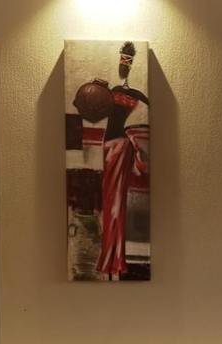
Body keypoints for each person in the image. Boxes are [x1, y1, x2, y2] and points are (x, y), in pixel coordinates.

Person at [95, 42, 150, 280]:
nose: (123, 65)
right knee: (113, 204)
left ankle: (113, 260)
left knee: (114, 204)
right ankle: (113, 260)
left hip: (116, 147)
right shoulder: (126, 93)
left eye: (124, 60)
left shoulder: (124, 93)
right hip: (113, 148)